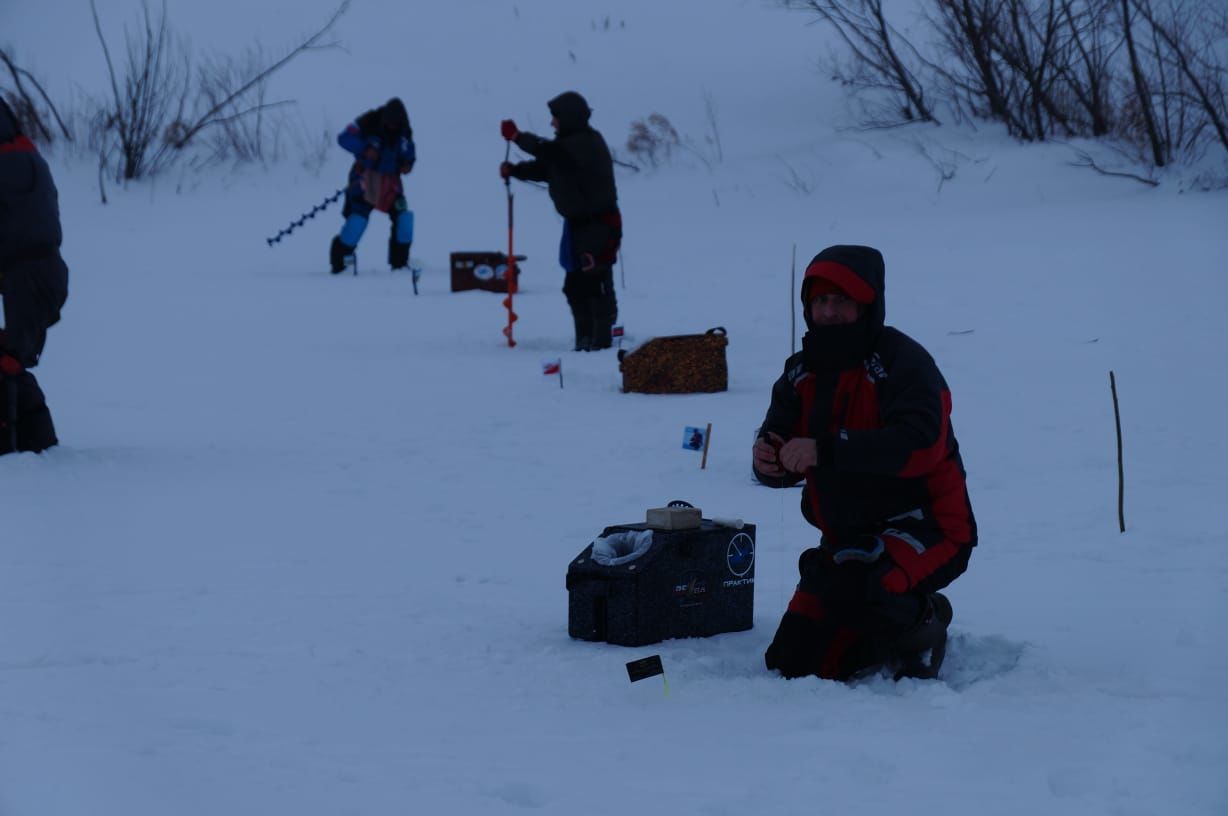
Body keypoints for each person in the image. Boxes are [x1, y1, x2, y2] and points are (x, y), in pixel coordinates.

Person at [752, 245, 976, 682]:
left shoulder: (905, 364)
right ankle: (874, 618)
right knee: (792, 662)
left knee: (869, 587)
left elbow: (919, 446)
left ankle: (923, 620)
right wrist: (770, 459)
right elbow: (780, 441)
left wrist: (826, 448)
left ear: (868, 305)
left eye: (842, 301)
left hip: (931, 526)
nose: (830, 311)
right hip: (848, 539)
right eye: (821, 301)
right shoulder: (800, 373)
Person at [500, 91, 622, 351]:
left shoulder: (585, 143)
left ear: (568, 118)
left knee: (594, 284)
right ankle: (585, 341)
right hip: (580, 226)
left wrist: (518, 137)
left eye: (555, 118)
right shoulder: (568, 146)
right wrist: (516, 170)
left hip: (598, 226)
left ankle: (600, 344)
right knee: (575, 286)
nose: (552, 123)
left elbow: (551, 154)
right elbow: (548, 168)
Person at [0, 97, 68, 455]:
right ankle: (40, 446)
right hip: (45, 275)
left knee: (7, 362)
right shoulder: (27, 158)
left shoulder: (10, 165)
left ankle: (14, 453)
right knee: (10, 358)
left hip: (29, 278)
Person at [330, 97, 416, 274]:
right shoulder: (369, 121)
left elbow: (409, 153)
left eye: (396, 124)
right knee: (357, 222)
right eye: (390, 123)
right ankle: (340, 265)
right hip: (364, 179)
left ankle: (400, 266)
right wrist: (364, 149)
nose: (393, 127)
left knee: (404, 219)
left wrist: (408, 163)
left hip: (391, 183)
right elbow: (343, 138)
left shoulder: (404, 132)